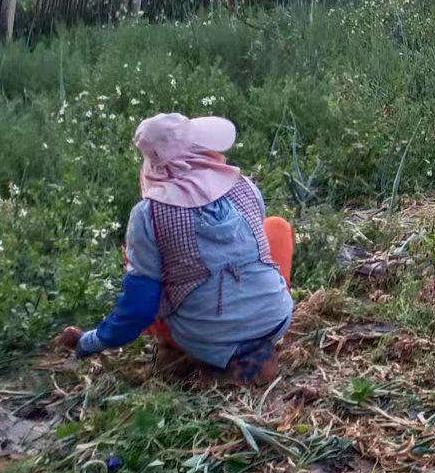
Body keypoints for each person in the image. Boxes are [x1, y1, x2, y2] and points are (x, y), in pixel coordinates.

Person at [57, 114, 295, 385]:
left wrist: (88, 342)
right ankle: (251, 333)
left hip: (205, 337)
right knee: (275, 228)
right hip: (275, 321)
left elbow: (140, 309)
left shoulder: (148, 215)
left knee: (142, 266)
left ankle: (181, 354)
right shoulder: (245, 187)